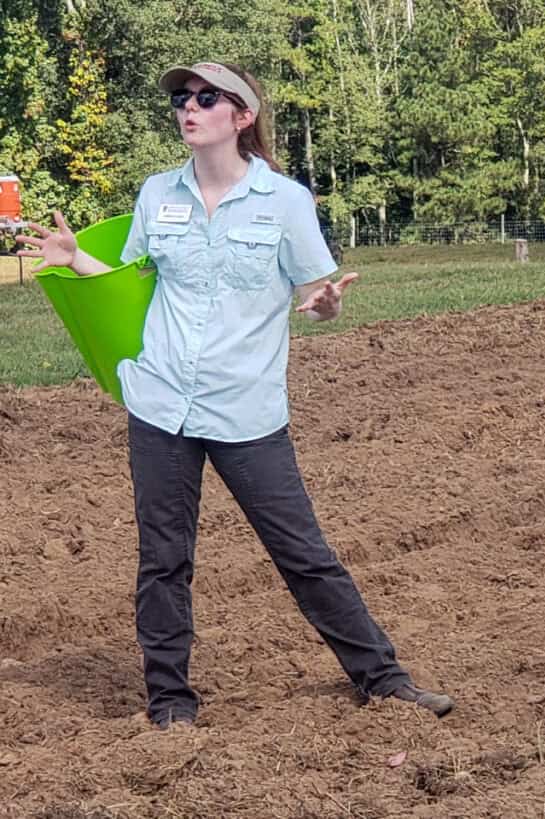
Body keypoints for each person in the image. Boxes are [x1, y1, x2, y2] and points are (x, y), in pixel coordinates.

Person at [16, 61, 453, 729]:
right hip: (162, 401)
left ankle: (384, 679)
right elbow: (135, 282)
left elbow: (316, 291)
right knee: (163, 559)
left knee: (303, 553)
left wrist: (326, 305)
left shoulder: (285, 202)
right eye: (182, 99)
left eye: (206, 98)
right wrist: (78, 259)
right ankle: (170, 704)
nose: (188, 108)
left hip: (245, 409)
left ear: (241, 115)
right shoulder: (157, 193)